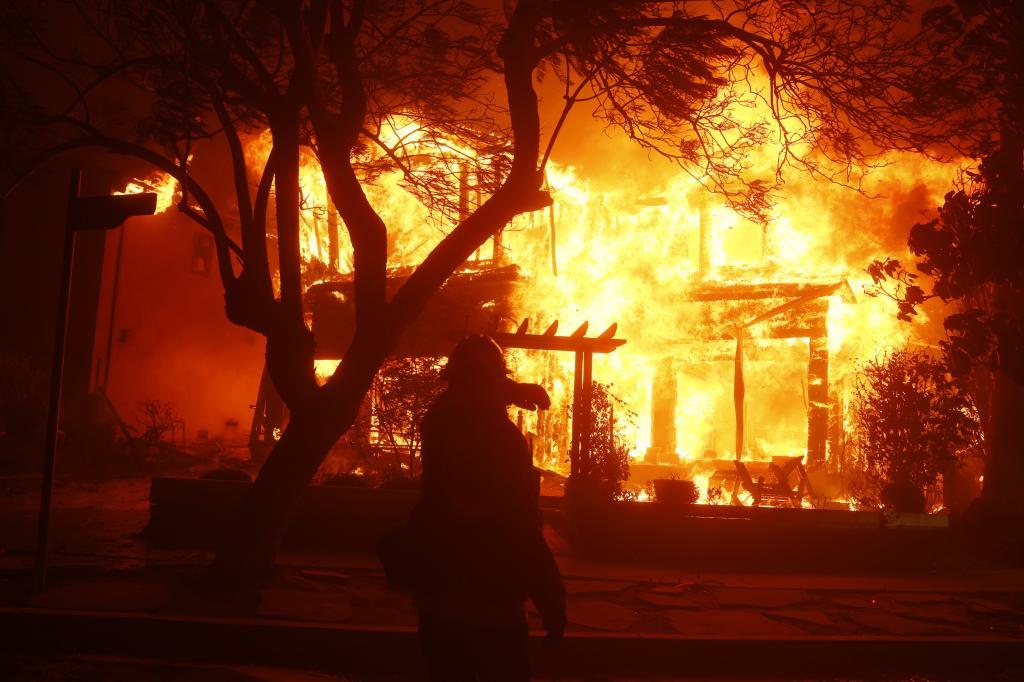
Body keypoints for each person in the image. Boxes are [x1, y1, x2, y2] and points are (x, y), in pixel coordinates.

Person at [379, 335, 566, 681]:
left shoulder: (439, 422)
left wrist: (511, 390)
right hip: (494, 604)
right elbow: (522, 527)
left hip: (441, 599)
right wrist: (552, 601)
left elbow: (466, 394)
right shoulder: (501, 441)